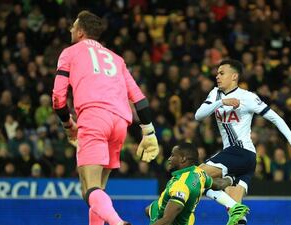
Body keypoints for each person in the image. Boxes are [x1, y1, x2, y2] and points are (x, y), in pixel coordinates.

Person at [52, 11, 159, 225]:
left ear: (81, 32)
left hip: (93, 118)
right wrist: (149, 132)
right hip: (120, 123)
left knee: (88, 189)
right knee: (99, 191)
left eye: (73, 26)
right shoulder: (117, 59)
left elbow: (58, 97)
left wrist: (67, 124)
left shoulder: (69, 53)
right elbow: (139, 98)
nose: (70, 30)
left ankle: (118, 223)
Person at [195, 59, 291, 225]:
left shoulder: (248, 97)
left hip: (239, 152)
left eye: (221, 73)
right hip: (244, 160)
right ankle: (235, 205)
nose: (217, 76)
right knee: (236, 217)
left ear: (234, 76)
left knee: (195, 178)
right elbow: (199, 115)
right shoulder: (215, 94)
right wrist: (221, 102)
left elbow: (276, 118)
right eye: (217, 73)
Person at [146, 143, 234, 225]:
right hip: (170, 211)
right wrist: (232, 179)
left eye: (173, 155)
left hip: (167, 219)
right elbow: (219, 184)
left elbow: (167, 221)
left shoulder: (181, 186)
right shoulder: (198, 172)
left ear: (183, 159)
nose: (169, 158)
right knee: (148, 209)